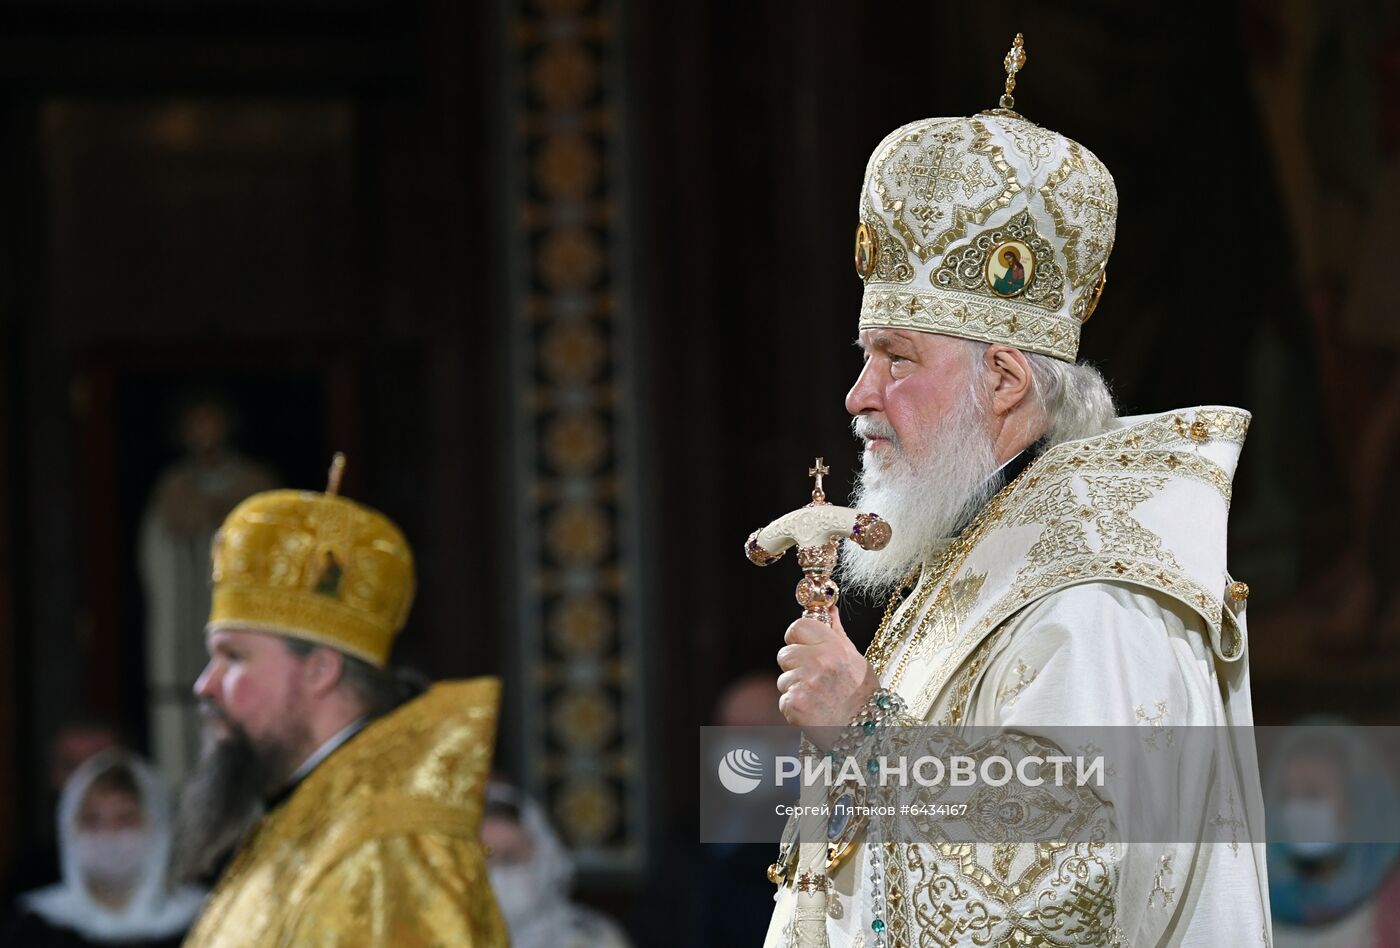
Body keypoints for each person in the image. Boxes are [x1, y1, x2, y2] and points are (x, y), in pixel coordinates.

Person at [763, 35, 1271, 946]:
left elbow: (1057, 889)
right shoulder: (990, 549)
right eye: (863, 355)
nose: (858, 396)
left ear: (1002, 382)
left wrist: (864, 730)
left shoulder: (1092, 592)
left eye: (897, 358)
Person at [174, 460, 507, 946]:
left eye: (234, 657)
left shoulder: (387, 854)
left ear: (320, 671)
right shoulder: (302, 821)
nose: (206, 685)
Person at [5, 750, 205, 947]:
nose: (109, 834)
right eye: (92, 820)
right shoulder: (34, 928)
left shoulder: (203, 921)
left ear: (159, 828)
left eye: (125, 819)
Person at [1267, 721, 1400, 947]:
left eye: (1313, 793)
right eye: (1286, 795)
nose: (1297, 809)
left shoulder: (1390, 893)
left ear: (1355, 801)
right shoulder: (1262, 893)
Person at [481, 781, 631, 948]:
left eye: (510, 858)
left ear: (544, 861)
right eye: (483, 859)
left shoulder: (596, 940)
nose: (497, 874)